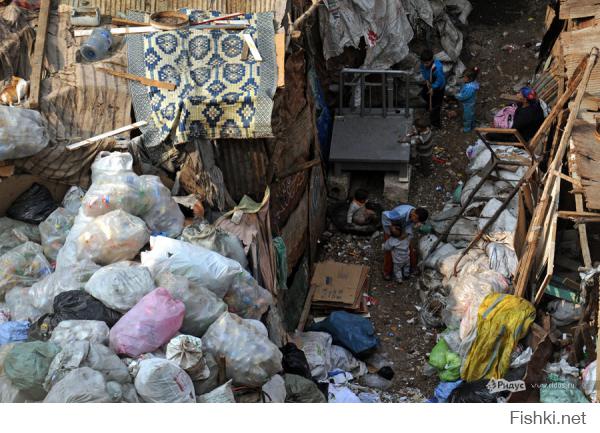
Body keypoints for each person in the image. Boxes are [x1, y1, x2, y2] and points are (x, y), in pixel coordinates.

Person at [381, 204, 429, 280]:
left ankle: (412, 268)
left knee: (408, 248)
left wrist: (406, 234)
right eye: (417, 220)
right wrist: (391, 228)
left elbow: (410, 225)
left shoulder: (414, 214)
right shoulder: (400, 214)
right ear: (414, 215)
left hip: (403, 227)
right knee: (389, 250)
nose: (416, 223)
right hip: (392, 228)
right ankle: (387, 272)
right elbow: (384, 215)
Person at [419, 49, 446, 128]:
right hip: (430, 82)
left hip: (439, 86)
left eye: (427, 63)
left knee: (436, 105)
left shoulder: (437, 68)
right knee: (424, 94)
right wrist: (427, 81)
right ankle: (429, 106)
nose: (425, 65)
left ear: (431, 60)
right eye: (423, 63)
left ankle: (435, 124)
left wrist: (433, 88)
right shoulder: (423, 64)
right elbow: (423, 71)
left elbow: (440, 80)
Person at [455, 67, 480, 132]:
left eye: (464, 77)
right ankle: (473, 125)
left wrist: (456, 95)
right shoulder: (472, 83)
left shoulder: (469, 88)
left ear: (470, 79)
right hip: (471, 103)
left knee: (467, 117)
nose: (463, 78)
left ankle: (467, 129)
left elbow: (464, 96)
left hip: (468, 105)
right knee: (471, 114)